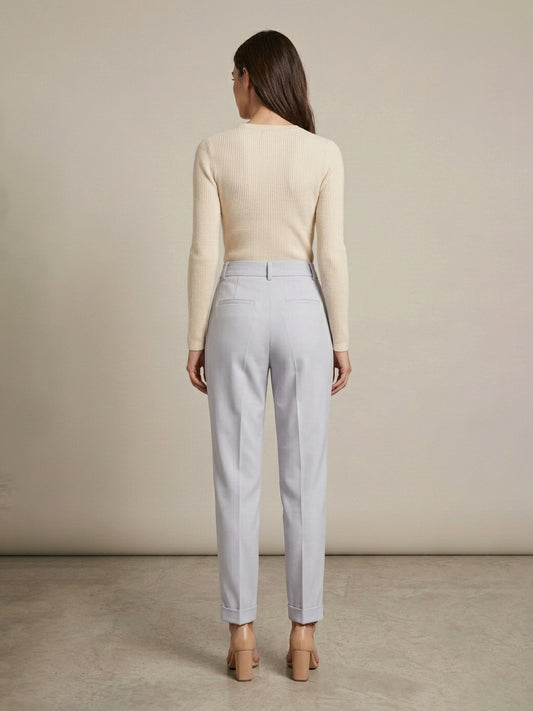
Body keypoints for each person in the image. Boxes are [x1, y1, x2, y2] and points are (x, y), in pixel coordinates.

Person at [186, 29, 351, 682]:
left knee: (235, 475)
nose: (231, 87)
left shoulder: (214, 149)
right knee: (304, 476)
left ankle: (242, 638)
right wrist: (341, 337)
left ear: (250, 76)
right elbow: (331, 253)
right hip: (304, 307)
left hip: (235, 303)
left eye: (233, 76)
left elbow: (205, 252)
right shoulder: (322, 152)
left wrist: (195, 336)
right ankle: (303, 638)